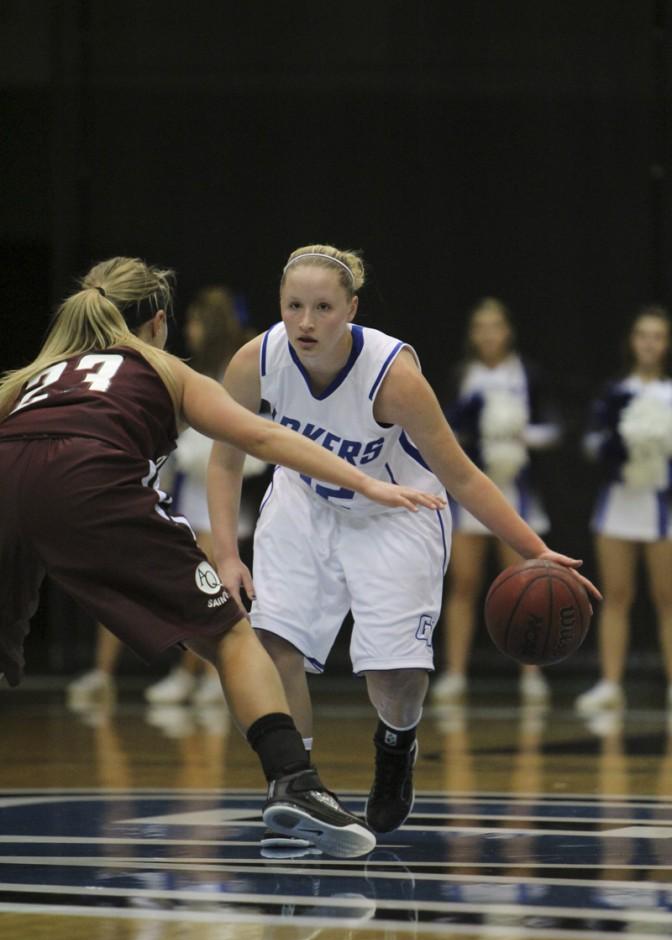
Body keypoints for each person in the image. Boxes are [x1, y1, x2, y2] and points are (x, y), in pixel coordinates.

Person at [0, 255, 448, 859]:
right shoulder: (164, 370)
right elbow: (262, 437)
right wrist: (365, 482)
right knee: (233, 638)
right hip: (88, 480)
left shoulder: (35, 374)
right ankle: (295, 782)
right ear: (157, 322)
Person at [207, 244, 599, 851]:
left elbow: (464, 476)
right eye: (293, 306)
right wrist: (228, 554)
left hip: (397, 509)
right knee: (274, 640)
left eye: (322, 307)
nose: (306, 322)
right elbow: (227, 456)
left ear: (351, 309)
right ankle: (296, 782)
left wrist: (532, 551)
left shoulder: (393, 377)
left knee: (393, 675)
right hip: (305, 502)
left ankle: (396, 745)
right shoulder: (256, 361)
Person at [66, 285, 268, 707]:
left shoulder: (233, 377)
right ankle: (103, 674)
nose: (186, 330)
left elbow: (256, 449)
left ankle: (204, 675)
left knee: (207, 582)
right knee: (128, 578)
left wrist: (197, 452)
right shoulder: (179, 375)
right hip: (170, 496)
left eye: (194, 322)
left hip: (214, 502)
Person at [432, 298, 562, 703]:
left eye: (496, 326)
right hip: (470, 494)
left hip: (515, 491)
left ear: (508, 331)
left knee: (528, 585)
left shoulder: (528, 374)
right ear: (472, 334)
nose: (489, 335)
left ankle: (531, 674)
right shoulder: (461, 375)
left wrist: (522, 435)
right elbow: (442, 428)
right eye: (480, 327)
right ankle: (454, 673)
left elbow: (553, 428)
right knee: (464, 583)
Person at [575, 305, 672, 713]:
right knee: (616, 595)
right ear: (632, 342)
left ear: (665, 344)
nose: (648, 343)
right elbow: (591, 444)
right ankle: (610, 683)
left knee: (666, 597)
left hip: (661, 505)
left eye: (657, 336)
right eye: (642, 335)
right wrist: (616, 443)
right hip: (618, 505)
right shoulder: (615, 393)